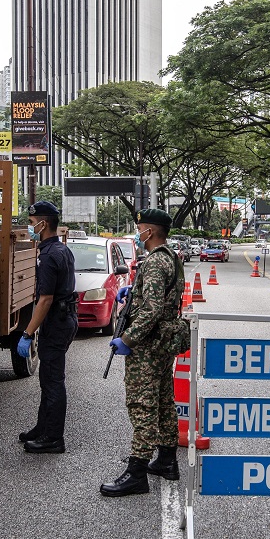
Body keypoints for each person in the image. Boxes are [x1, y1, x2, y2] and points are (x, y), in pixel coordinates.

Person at [101, 209, 185, 498]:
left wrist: (128, 339)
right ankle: (166, 460)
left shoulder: (154, 263)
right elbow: (160, 300)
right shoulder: (170, 258)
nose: (137, 234)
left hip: (148, 346)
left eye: (139, 229)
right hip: (163, 343)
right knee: (163, 400)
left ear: (149, 231)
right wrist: (132, 294)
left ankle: (136, 472)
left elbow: (151, 310)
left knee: (141, 405)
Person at [16, 201, 78, 454]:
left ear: (43, 224)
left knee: (52, 381)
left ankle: (53, 438)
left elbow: (45, 299)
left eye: (32, 223)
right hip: (65, 319)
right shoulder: (60, 249)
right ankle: (42, 428)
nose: (30, 228)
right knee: (47, 379)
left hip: (57, 321)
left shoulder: (50, 255)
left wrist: (27, 333)